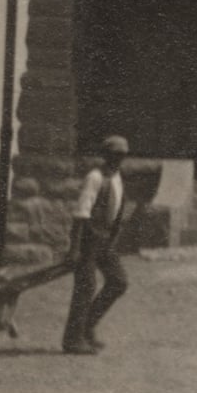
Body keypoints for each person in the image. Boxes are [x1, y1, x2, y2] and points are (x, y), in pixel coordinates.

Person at [61, 135, 133, 355]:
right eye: (113, 154)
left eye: (122, 155)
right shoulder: (94, 177)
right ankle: (73, 340)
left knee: (119, 282)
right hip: (88, 240)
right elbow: (81, 214)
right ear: (105, 155)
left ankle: (87, 327)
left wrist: (113, 239)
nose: (117, 159)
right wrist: (74, 249)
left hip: (105, 240)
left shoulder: (118, 177)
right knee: (86, 287)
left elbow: (117, 210)